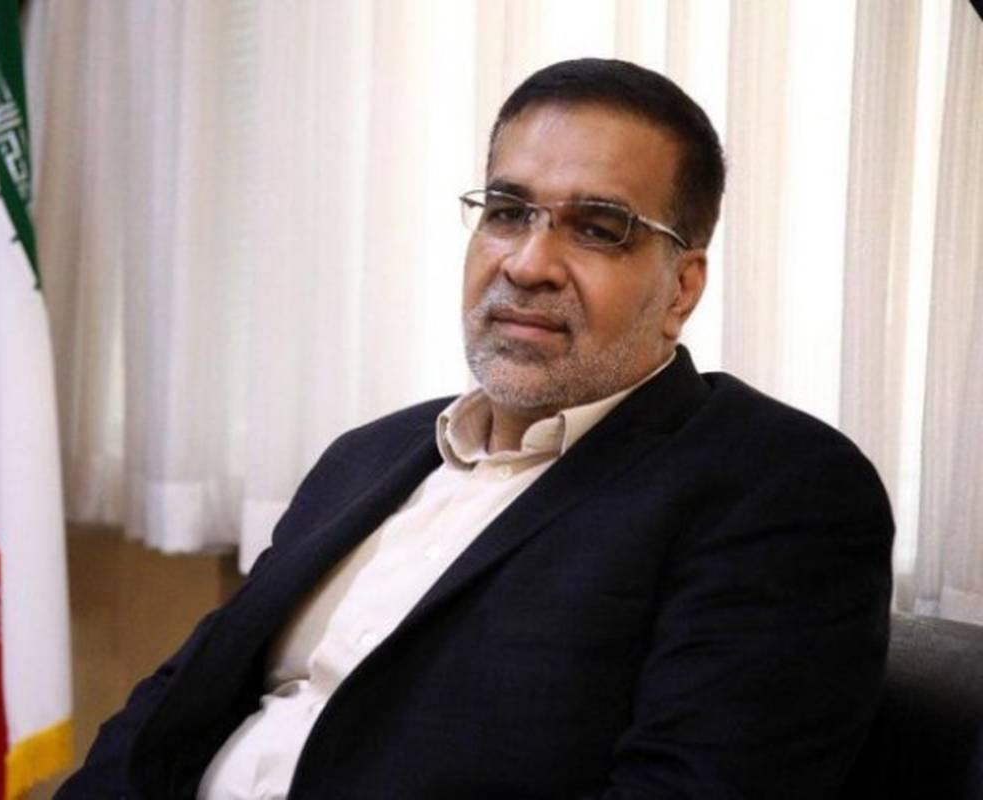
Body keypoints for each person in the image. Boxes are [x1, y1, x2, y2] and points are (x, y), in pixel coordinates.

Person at [58, 58, 893, 800]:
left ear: (681, 287)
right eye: (507, 211)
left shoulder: (777, 488)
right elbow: (171, 711)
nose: (527, 264)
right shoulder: (367, 456)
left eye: (598, 229)